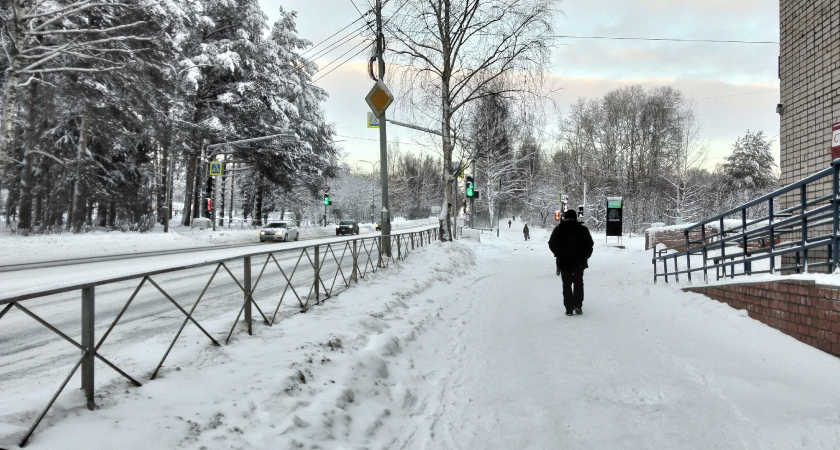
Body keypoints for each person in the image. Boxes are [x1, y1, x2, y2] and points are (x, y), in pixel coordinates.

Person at [548, 209, 594, 317]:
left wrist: (558, 254)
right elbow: (589, 244)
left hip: (564, 262)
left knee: (566, 284)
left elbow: (551, 243)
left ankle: (569, 308)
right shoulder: (582, 230)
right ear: (575, 217)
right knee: (578, 283)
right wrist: (585, 257)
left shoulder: (559, 229)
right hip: (579, 262)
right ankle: (578, 305)